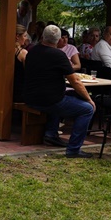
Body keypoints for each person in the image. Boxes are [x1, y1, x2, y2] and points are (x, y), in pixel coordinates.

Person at [23, 25, 96, 159]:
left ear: (42, 36)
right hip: (50, 100)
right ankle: (74, 149)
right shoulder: (59, 55)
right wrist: (90, 100)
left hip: (30, 97)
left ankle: (51, 134)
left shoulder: (32, 51)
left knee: (69, 96)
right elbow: (75, 81)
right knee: (87, 109)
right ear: (58, 40)